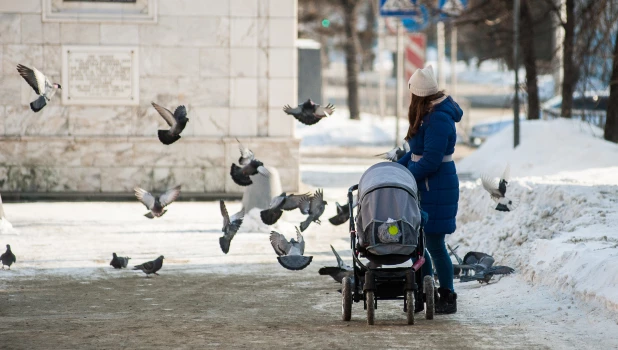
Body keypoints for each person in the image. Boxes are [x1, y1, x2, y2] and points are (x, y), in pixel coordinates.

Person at [396, 65, 462, 314]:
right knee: (416, 242)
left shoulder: (439, 118)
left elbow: (431, 161)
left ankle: (447, 295)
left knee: (434, 243)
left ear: (418, 93)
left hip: (437, 187)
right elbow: (416, 155)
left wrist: (405, 177)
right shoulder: (429, 113)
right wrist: (393, 171)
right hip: (426, 186)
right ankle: (424, 291)